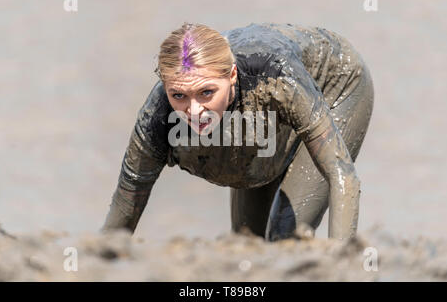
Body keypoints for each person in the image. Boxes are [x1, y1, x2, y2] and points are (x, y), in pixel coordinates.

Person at [101, 22, 374, 241]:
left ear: (231, 76)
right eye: (179, 95)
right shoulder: (157, 117)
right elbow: (124, 210)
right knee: (246, 246)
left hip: (335, 87)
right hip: (258, 119)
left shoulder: (275, 76)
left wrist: (342, 265)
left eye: (206, 92)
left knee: (284, 239)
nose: (194, 111)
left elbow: (342, 175)